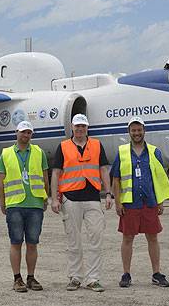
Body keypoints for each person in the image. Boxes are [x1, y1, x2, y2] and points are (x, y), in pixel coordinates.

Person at [51, 114, 113, 292]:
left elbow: (103, 170)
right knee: (73, 240)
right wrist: (55, 198)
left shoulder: (96, 145)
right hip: (70, 199)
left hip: (93, 197)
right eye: (77, 127)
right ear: (72, 128)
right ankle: (75, 277)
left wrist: (108, 193)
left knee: (96, 237)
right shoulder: (63, 147)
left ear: (87, 128)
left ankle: (93, 279)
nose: (80, 130)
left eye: (83, 127)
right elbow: (56, 173)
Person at [110, 117, 169, 288]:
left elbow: (159, 179)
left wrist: (160, 202)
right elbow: (116, 179)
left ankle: (156, 273)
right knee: (127, 238)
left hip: (149, 202)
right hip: (130, 203)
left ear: (144, 131)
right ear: (129, 132)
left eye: (139, 130)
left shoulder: (154, 152)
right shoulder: (122, 152)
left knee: (153, 237)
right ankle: (126, 274)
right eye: (133, 130)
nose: (136, 133)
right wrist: (118, 202)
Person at [0, 121, 50, 293]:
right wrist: (2, 202)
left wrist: (45, 197)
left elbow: (45, 177)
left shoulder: (39, 152)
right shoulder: (5, 154)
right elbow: (1, 181)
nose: (25, 135)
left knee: (33, 243)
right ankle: (17, 278)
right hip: (15, 204)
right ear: (16, 133)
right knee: (16, 242)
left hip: (35, 203)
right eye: (23, 132)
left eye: (29, 133)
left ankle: (31, 277)